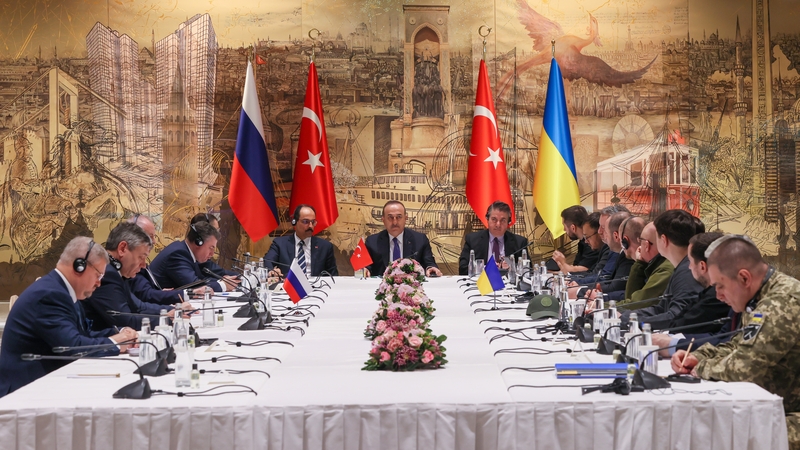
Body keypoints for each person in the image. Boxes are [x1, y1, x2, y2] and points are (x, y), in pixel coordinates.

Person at [672, 235, 800, 449]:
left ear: (744, 278)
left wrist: (700, 368)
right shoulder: (761, 298)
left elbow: (744, 368)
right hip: (779, 407)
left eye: (720, 286)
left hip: (792, 416)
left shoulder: (780, 304)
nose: (718, 295)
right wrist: (698, 356)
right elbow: (738, 345)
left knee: (721, 435)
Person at [0, 237, 137, 397]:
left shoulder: (62, 291)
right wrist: (116, 343)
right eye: (98, 275)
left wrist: (120, 333)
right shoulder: (49, 295)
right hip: (23, 392)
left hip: (44, 383)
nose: (99, 283)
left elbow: (82, 334)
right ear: (79, 266)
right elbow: (72, 348)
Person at [83, 222, 190, 331]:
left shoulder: (116, 271)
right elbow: (125, 320)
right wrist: (167, 319)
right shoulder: (106, 273)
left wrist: (173, 309)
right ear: (122, 249)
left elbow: (139, 307)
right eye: (141, 257)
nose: (144, 265)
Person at [651, 232, 731, 357]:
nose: (688, 267)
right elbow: (725, 340)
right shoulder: (713, 292)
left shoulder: (717, 296)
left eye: (690, 261)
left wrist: (675, 345)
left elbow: (726, 343)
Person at [620, 209, 703, 327]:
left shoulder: (687, 271)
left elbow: (676, 316)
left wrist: (631, 321)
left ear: (663, 240)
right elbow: (661, 308)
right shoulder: (682, 266)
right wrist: (626, 316)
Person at [366, 201, 441, 277]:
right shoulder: (372, 242)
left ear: (405, 218)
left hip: (412, 283)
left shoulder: (420, 240)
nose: (395, 222)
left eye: (399, 217)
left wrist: (431, 268)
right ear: (383, 220)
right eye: (390, 217)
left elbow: (429, 263)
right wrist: (365, 270)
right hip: (382, 283)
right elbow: (366, 266)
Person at [149, 221, 229, 291]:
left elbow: (201, 279)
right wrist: (223, 285)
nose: (212, 254)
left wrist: (222, 281)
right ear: (198, 242)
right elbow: (194, 285)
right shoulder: (178, 254)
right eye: (211, 248)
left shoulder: (186, 252)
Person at [264, 204, 339, 277]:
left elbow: (333, 275)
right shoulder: (280, 244)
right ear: (294, 222)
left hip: (316, 284)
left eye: (313, 222)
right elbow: (267, 261)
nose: (310, 226)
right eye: (306, 221)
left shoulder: (325, 246)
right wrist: (272, 271)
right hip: (289, 284)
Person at [127, 214, 185, 305]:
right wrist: (185, 295)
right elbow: (146, 295)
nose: (154, 241)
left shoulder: (140, 260)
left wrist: (161, 293)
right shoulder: (130, 263)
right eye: (150, 237)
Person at [458, 201, 527, 276]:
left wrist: (512, 267)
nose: (498, 224)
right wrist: (486, 269)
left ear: (508, 222)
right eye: (494, 219)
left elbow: (527, 270)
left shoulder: (520, 243)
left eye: (503, 220)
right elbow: (463, 268)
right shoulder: (472, 240)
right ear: (487, 219)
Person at [619, 220, 674, 307]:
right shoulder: (659, 264)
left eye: (641, 241)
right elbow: (631, 299)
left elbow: (635, 305)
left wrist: (639, 264)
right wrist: (640, 263)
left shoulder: (665, 269)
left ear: (647, 245)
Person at [583, 211, 633, 300]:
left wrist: (582, 291)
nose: (599, 232)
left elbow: (617, 287)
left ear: (616, 236)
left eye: (604, 230)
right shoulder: (619, 252)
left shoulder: (628, 256)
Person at [190, 212, 241, 280]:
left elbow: (220, 272)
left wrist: (241, 277)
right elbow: (196, 282)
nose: (218, 234)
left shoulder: (202, 258)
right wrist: (223, 284)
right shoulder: (182, 254)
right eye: (215, 231)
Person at [549, 205, 596, 273]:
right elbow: (575, 267)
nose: (564, 230)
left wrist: (562, 263)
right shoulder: (581, 243)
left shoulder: (592, 243)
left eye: (564, 226)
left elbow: (585, 269)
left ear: (573, 227)